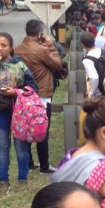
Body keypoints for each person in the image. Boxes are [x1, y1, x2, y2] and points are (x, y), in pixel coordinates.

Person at [0, 32, 38, 195]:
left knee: (20, 146)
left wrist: (16, 92)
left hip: (18, 112)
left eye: (4, 45)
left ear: (11, 47)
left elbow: (33, 88)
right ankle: (3, 182)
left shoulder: (19, 65)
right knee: (2, 147)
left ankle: (23, 180)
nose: (0, 48)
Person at [15, 19, 64, 174]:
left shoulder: (17, 50)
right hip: (42, 94)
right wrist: (50, 45)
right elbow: (58, 64)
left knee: (26, 128)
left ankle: (29, 163)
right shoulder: (41, 50)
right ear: (39, 33)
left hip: (24, 95)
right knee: (42, 130)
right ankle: (44, 165)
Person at [81, 31, 105, 99]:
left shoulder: (87, 60)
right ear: (94, 40)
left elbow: (94, 77)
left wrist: (92, 92)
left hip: (100, 94)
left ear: (82, 44)